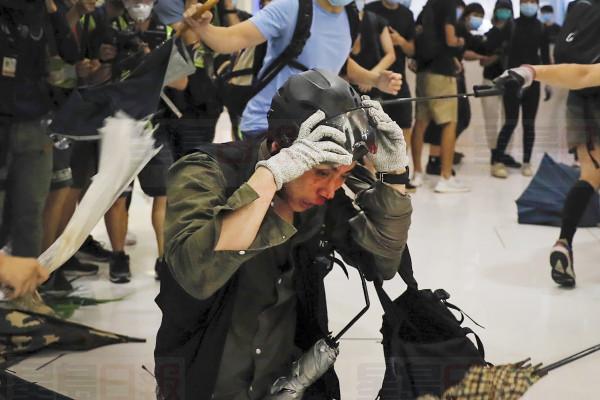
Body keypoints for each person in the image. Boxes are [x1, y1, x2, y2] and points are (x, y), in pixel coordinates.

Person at [153, 69, 412, 399]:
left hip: (284, 379)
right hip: (204, 376)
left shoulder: (318, 197)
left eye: (342, 175)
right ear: (279, 147)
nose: (333, 189)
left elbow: (383, 263)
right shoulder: (205, 172)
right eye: (322, 172)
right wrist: (271, 175)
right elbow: (196, 274)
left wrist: (395, 177)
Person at [181, 0, 403, 141]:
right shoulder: (290, 7)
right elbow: (231, 40)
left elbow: (337, 62)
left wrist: (375, 79)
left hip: (315, 129)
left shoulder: (351, 15)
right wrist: (204, 28)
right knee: (267, 209)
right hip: (266, 127)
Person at [499, 63, 600, 287]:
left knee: (589, 176)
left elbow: (584, 74)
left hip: (582, 103)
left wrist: (531, 72)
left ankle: (564, 241)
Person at [0, 0, 79, 258]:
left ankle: (24, 292)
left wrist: (54, 11)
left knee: (30, 211)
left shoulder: (40, 10)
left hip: (35, 123)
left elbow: (70, 52)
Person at [422, 2, 489, 177]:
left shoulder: (457, 25)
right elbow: (451, 43)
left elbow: (463, 50)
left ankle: (445, 151)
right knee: (445, 119)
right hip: (445, 73)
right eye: (474, 15)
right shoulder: (448, 15)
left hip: (452, 74)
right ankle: (437, 159)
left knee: (460, 118)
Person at [410, 0, 468, 193]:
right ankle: (445, 177)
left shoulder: (428, 6)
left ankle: (417, 173)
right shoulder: (450, 4)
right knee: (450, 122)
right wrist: (460, 43)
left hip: (423, 72)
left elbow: (422, 36)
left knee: (420, 122)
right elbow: (450, 39)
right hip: (442, 74)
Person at [490, 0, 550, 179]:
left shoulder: (541, 28)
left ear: (538, 5)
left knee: (529, 124)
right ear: (520, 3)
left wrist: (548, 83)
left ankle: (526, 161)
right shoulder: (511, 25)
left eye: (533, 2)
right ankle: (497, 161)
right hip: (512, 81)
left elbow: (545, 58)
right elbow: (494, 47)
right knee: (510, 121)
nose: (529, 5)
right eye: (526, 1)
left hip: (534, 80)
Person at [365, 0, 416, 177]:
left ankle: (399, 171)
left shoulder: (407, 15)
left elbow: (410, 50)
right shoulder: (370, 11)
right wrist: (370, 77)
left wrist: (401, 41)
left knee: (405, 124)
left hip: (398, 79)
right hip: (371, 80)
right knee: (370, 129)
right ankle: (370, 177)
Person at [479, 0, 521, 171]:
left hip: (511, 81)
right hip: (490, 81)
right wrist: (498, 55)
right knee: (491, 120)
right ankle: (495, 154)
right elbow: (483, 61)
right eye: (501, 9)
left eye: (507, 9)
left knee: (509, 120)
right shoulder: (489, 34)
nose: (504, 12)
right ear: (495, 11)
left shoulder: (516, 33)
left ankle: (504, 154)